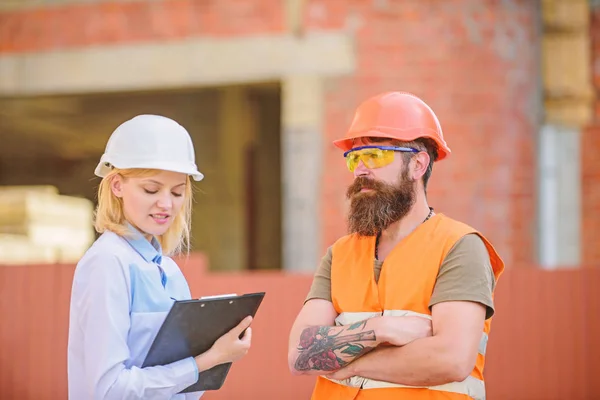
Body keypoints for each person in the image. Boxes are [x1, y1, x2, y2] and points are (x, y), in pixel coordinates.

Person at [287, 92, 504, 400]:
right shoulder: (340, 254)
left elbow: (451, 359)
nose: (360, 169)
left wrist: (348, 364)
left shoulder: (459, 247)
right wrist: (382, 329)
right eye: (354, 157)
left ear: (417, 165)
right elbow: (299, 354)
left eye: (375, 156)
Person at [67, 115, 253, 399]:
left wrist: (217, 348)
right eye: (151, 189)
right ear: (117, 185)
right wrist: (207, 360)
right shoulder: (107, 262)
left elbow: (183, 391)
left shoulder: (168, 270)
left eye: (178, 192)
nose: (166, 204)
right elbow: (110, 390)